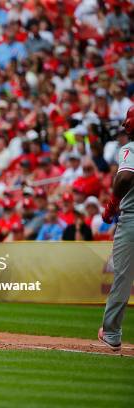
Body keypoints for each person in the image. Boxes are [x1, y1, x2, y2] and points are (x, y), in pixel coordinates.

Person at [98, 106, 134, 352]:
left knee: (123, 277)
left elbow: (124, 177)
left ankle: (111, 332)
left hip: (132, 219)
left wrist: (113, 203)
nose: (124, 126)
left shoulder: (130, 149)